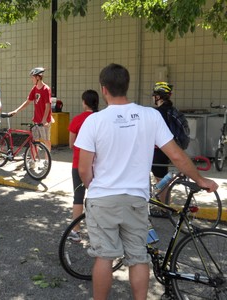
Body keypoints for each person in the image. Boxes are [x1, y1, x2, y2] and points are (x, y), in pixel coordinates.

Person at [75, 63, 218, 300]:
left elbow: (83, 169)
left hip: (103, 199)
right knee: (138, 257)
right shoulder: (150, 116)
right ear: (127, 86)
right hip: (136, 199)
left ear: (104, 89)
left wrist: (93, 186)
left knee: (104, 256)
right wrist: (200, 179)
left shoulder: (94, 121)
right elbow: (177, 155)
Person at [67, 89, 99, 242]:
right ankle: (99, 231)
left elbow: (71, 144)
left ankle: (76, 230)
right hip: (98, 165)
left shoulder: (78, 119)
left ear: (84, 102)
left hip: (79, 163)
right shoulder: (101, 119)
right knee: (98, 197)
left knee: (78, 197)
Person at [9, 67, 52, 151]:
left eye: (33, 77)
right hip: (36, 119)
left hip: (45, 120)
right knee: (35, 140)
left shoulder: (46, 89)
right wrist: (16, 110)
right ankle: (33, 160)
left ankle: (47, 160)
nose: (31, 79)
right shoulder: (34, 88)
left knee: (46, 140)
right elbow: (28, 101)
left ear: (38, 77)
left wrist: (44, 120)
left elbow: (48, 106)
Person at [150, 82, 174, 217]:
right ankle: (163, 205)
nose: (153, 97)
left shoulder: (158, 112)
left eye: (154, 95)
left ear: (158, 97)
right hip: (166, 149)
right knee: (162, 178)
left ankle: (165, 210)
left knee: (161, 180)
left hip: (158, 150)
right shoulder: (170, 110)